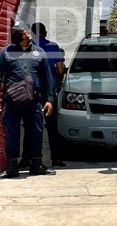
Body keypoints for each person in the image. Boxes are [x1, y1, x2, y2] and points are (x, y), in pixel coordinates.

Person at [0, 23, 56, 177]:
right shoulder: (5, 52)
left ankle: (37, 164)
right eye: (17, 32)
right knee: (11, 132)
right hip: (11, 100)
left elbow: (48, 78)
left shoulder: (40, 53)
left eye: (22, 31)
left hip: (34, 100)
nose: (21, 34)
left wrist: (49, 99)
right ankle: (12, 167)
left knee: (36, 131)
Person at [31, 22, 65, 167]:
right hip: (50, 91)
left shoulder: (29, 49)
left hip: (32, 91)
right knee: (52, 127)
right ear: (46, 32)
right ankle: (56, 158)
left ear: (32, 34)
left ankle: (29, 158)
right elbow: (60, 70)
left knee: (31, 125)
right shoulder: (53, 47)